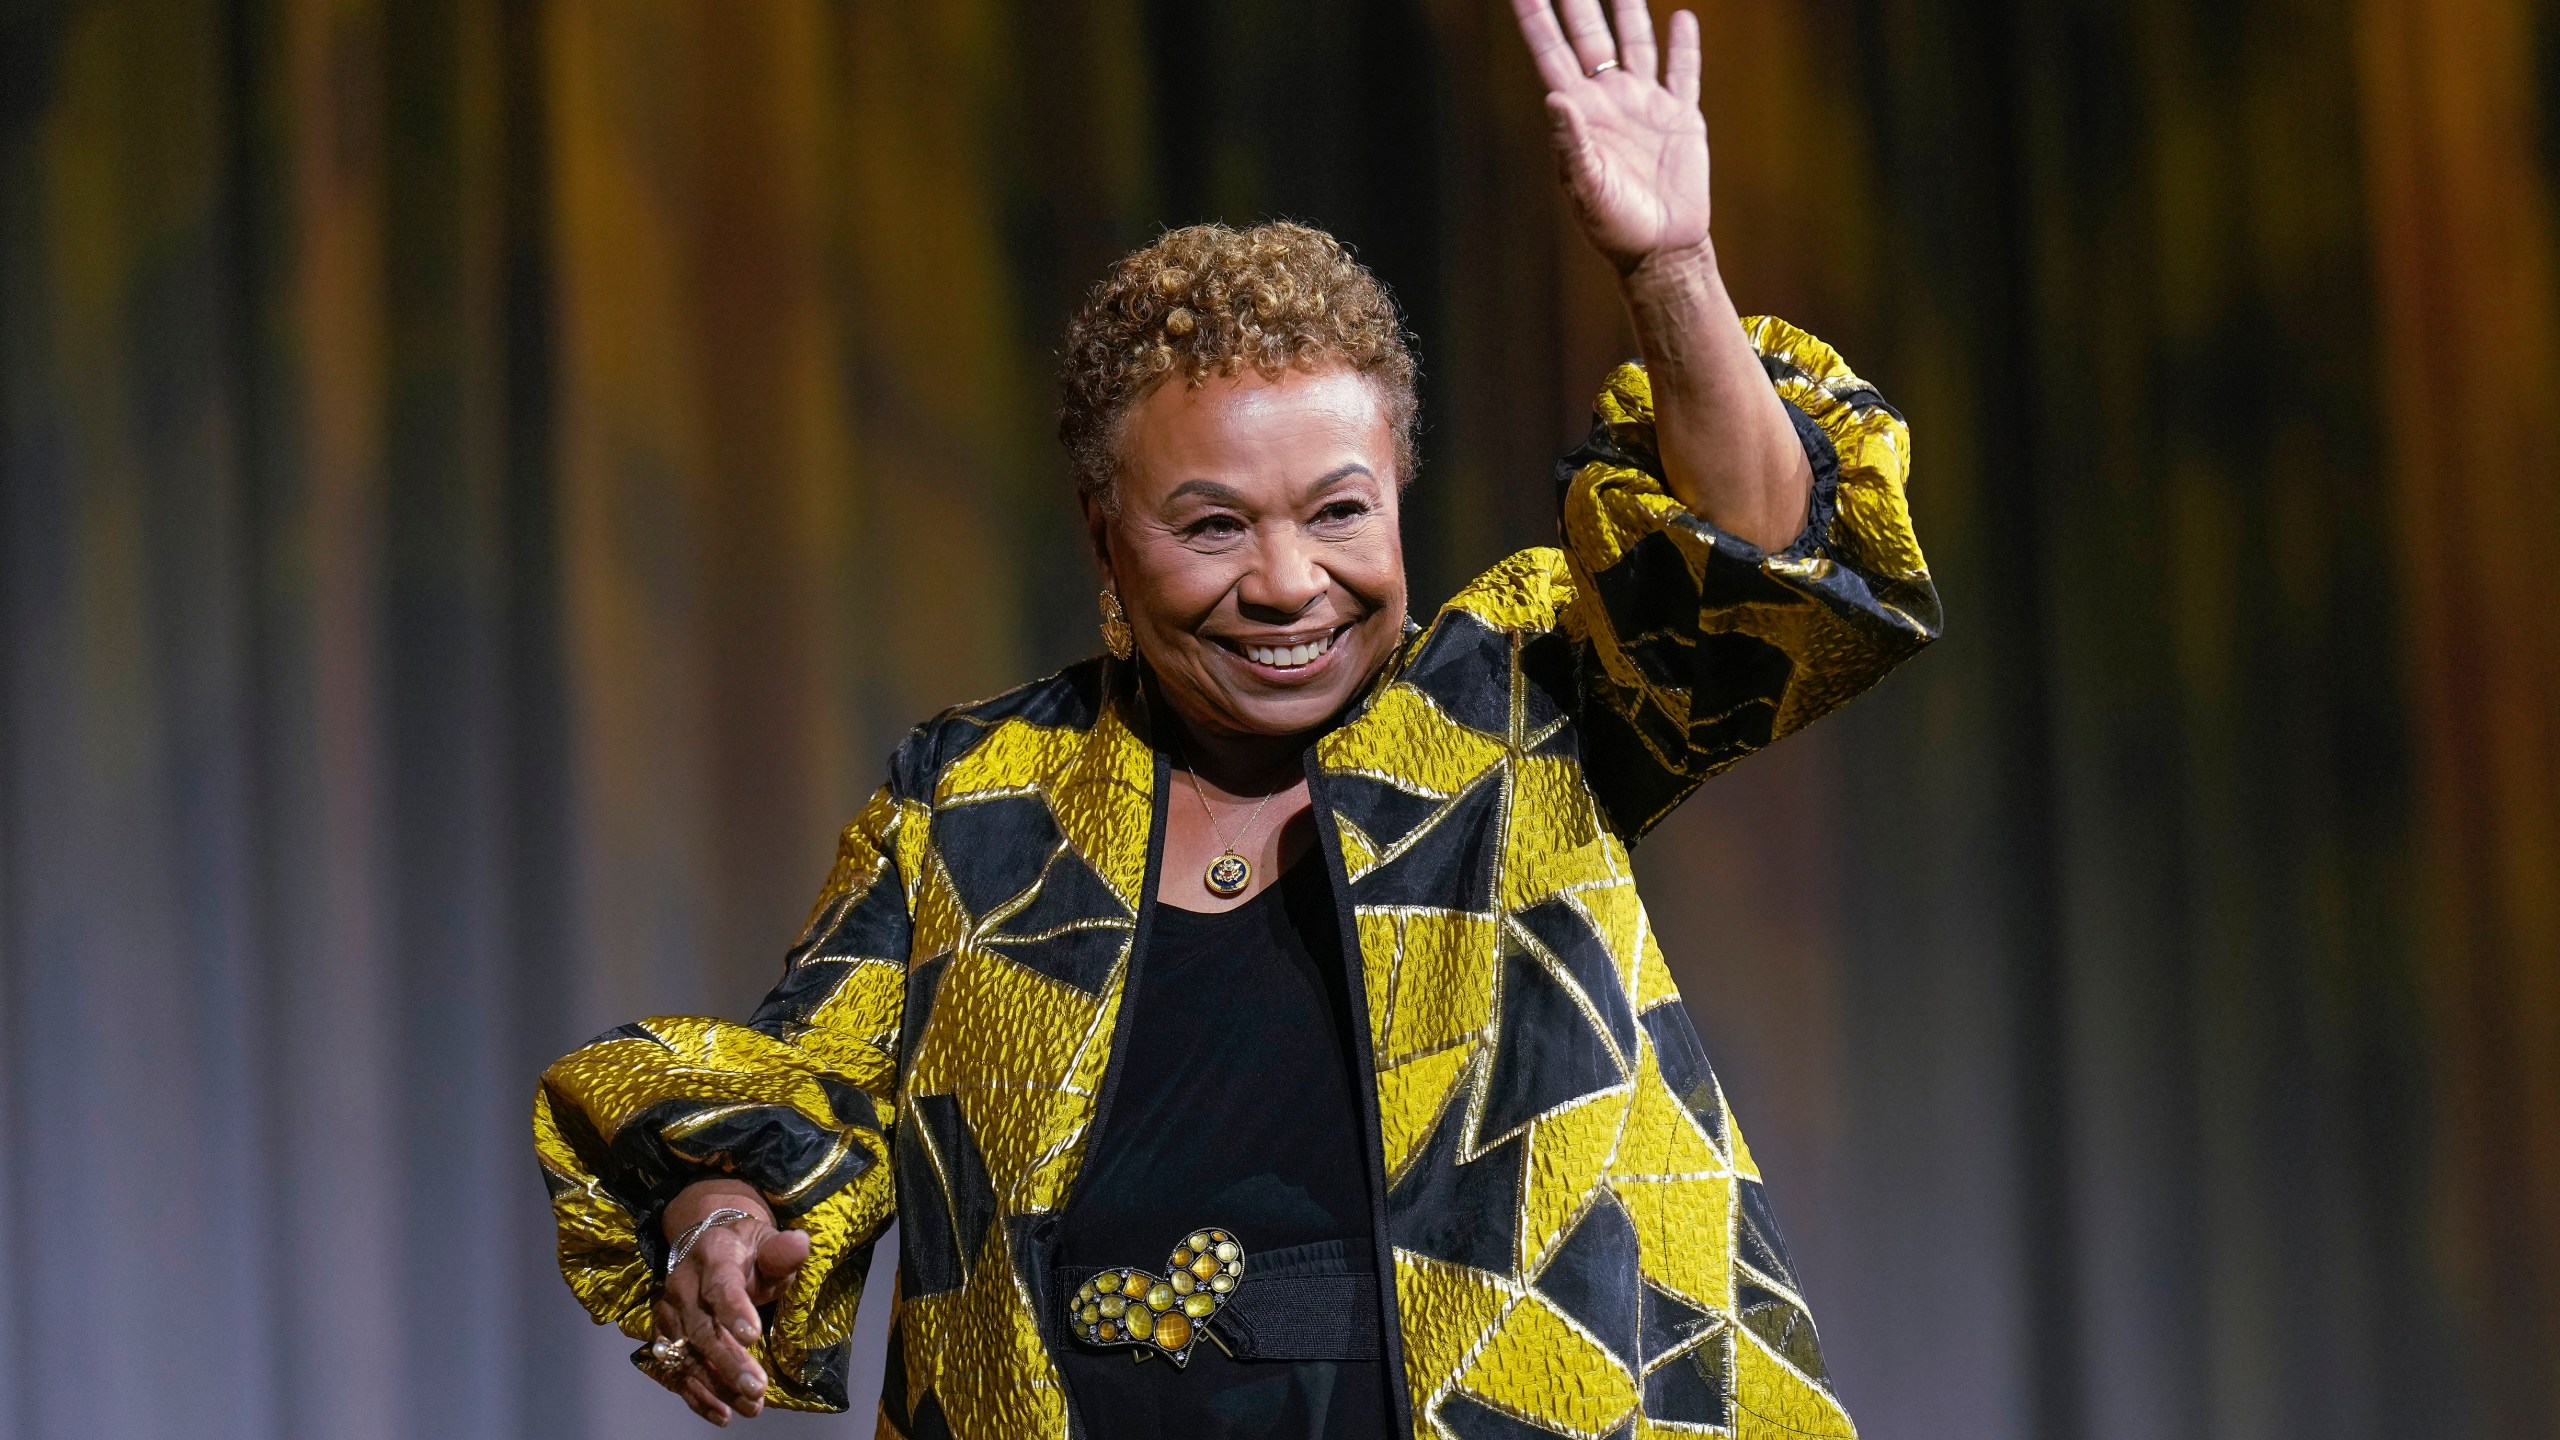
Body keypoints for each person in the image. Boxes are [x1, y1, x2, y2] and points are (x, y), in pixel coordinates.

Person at [532, 1, 1937, 1435]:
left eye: (1339, 511)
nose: (1286, 584)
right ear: (1103, 533)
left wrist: (1672, 270)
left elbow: (1760, 580)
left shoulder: (1516, 699)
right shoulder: (974, 798)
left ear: (1397, 491)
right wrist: (718, 1211)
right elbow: (806, 1089)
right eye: (1210, 527)